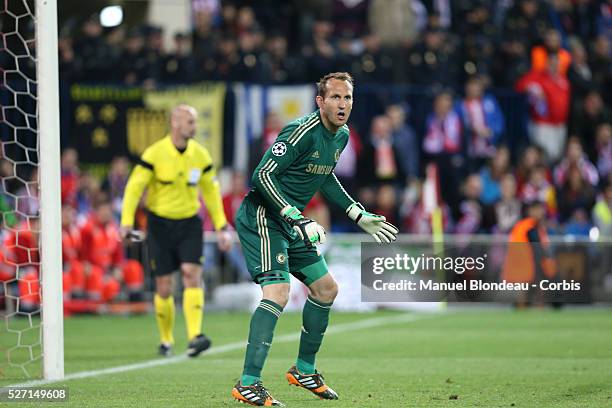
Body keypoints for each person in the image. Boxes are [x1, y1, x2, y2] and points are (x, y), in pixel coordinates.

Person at [231, 72, 399, 406]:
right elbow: (261, 175)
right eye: (335, 97)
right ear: (320, 102)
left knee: (326, 289)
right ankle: (248, 382)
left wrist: (356, 213)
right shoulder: (300, 131)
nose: (342, 104)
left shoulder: (342, 136)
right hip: (263, 216)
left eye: (347, 98)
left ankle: (304, 369)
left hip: (292, 222)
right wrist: (295, 216)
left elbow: (325, 176)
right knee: (278, 293)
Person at [120, 104, 232, 357]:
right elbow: (134, 188)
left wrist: (221, 225)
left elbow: (211, 192)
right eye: (190, 122)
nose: (195, 126)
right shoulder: (154, 154)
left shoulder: (201, 155)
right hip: (159, 224)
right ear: (175, 123)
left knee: (191, 273)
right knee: (163, 285)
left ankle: (195, 336)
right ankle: (166, 339)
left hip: (190, 223)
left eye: (194, 121)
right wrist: (126, 221)